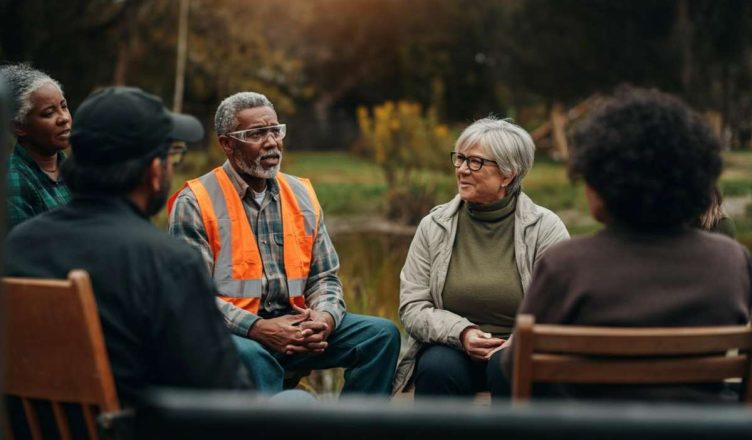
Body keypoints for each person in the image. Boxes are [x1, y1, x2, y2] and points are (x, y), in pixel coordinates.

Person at [498, 88, 751, 402]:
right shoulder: (731, 261)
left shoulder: (566, 265)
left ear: (601, 185)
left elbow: (514, 368)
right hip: (696, 428)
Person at [5, 86, 253, 406]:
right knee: (291, 404)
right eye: (170, 156)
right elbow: (227, 398)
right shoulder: (168, 262)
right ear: (153, 172)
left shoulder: (19, 245)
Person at [168, 91, 400, 396]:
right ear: (227, 143)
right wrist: (259, 329)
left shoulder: (301, 193)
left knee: (381, 336)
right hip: (236, 335)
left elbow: (324, 277)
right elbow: (194, 297)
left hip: (296, 328)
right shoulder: (195, 202)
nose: (271, 142)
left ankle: (351, 429)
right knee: (253, 357)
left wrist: (325, 318)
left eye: (275, 130)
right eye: (256, 133)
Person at [393, 117, 569, 398]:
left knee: (509, 365)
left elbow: (558, 307)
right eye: (460, 159)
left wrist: (517, 341)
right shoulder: (434, 225)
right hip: (452, 345)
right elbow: (413, 306)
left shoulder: (545, 227)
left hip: (519, 348)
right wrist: (462, 334)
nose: (462, 169)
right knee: (436, 367)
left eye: (475, 162)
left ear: (508, 174)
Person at [1, 63, 71, 231]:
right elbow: (23, 249)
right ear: (19, 126)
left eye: (64, 106)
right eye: (48, 113)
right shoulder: (13, 180)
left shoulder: (76, 169)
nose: (63, 118)